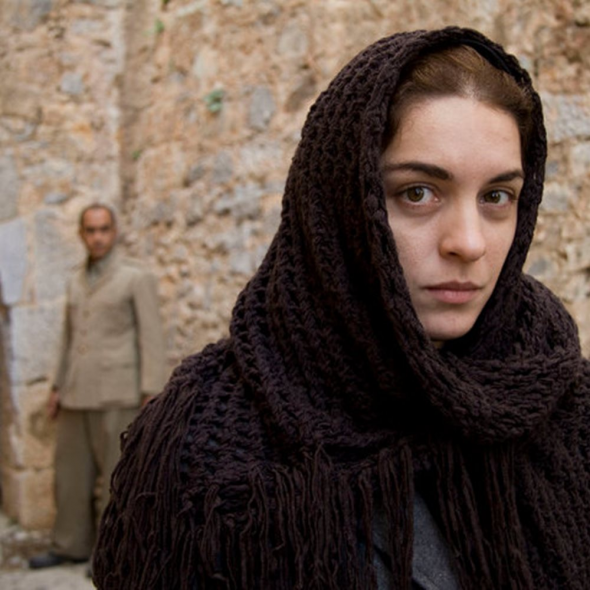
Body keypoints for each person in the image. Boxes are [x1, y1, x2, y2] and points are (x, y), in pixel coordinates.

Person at [93, 27, 590, 589]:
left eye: (496, 197)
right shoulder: (201, 449)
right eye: (417, 192)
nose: (469, 243)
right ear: (340, 206)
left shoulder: (564, 403)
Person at [29, 203, 167, 570]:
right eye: (90, 231)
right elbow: (68, 337)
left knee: (115, 478)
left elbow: (151, 337)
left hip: (118, 391)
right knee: (70, 476)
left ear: (114, 231)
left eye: (104, 229)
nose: (98, 237)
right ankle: (68, 545)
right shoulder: (76, 280)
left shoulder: (135, 277)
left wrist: (151, 390)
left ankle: (110, 554)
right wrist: (57, 386)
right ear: (81, 235)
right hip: (76, 393)